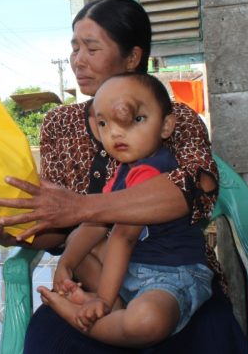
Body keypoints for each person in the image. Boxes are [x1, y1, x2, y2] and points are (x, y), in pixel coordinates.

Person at [0, 0, 248, 353]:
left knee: (199, 335)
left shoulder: (174, 118)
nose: (78, 60)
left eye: (91, 48)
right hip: (95, 279)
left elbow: (194, 191)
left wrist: (82, 207)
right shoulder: (61, 124)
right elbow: (56, 229)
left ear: (133, 57)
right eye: (74, 48)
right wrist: (9, 233)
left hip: (172, 275)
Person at [41, 72, 213, 348]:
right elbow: (94, 223)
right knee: (77, 241)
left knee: (146, 321)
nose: (116, 133)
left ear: (166, 125)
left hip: (170, 277)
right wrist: (67, 264)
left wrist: (103, 301)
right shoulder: (123, 171)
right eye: (104, 124)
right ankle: (114, 314)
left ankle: (87, 318)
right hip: (130, 270)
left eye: (136, 119)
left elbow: (123, 237)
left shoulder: (154, 171)